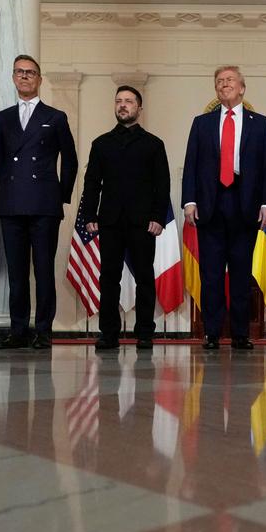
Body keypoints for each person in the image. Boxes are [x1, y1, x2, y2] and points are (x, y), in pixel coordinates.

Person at [181, 65, 266, 350]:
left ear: (242, 88)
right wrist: (189, 201)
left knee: (240, 274)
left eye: (230, 80)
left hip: (245, 205)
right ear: (216, 89)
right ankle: (211, 333)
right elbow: (191, 163)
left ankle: (240, 334)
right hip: (210, 205)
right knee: (210, 274)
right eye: (220, 81)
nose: (225, 84)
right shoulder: (202, 123)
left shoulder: (261, 124)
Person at [0, 54, 78, 350]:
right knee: (16, 273)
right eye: (19, 72)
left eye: (30, 72)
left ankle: (43, 330)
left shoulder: (55, 117)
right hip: (12, 203)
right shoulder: (2, 118)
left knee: (43, 270)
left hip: (44, 204)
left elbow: (70, 160)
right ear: (13, 78)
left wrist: (60, 195)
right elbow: (1, 162)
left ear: (39, 79)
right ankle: (18, 331)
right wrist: (10, 189)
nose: (25, 76)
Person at [79, 85, 171, 351]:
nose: (123, 105)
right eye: (118, 101)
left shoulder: (154, 144)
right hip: (109, 220)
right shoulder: (101, 144)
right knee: (108, 277)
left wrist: (158, 217)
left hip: (143, 222)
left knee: (144, 277)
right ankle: (109, 333)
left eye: (129, 101)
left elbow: (162, 184)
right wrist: (89, 214)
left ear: (139, 108)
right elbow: (92, 183)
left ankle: (145, 333)